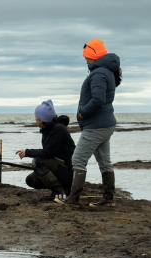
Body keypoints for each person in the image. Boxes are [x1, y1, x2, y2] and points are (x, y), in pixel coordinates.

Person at [57, 39, 121, 207]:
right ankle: (108, 198)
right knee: (104, 161)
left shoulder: (99, 73)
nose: (84, 59)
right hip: (104, 123)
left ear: (92, 55)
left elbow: (98, 100)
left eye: (86, 56)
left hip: (96, 126)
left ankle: (73, 199)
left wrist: (82, 112)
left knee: (78, 159)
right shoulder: (105, 71)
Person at [15, 99, 76, 201]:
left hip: (68, 170)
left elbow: (48, 153)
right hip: (59, 167)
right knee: (31, 180)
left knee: (38, 161)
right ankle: (55, 192)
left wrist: (27, 152)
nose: (35, 119)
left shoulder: (58, 129)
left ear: (43, 119)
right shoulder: (48, 129)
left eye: (37, 117)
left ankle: (62, 191)